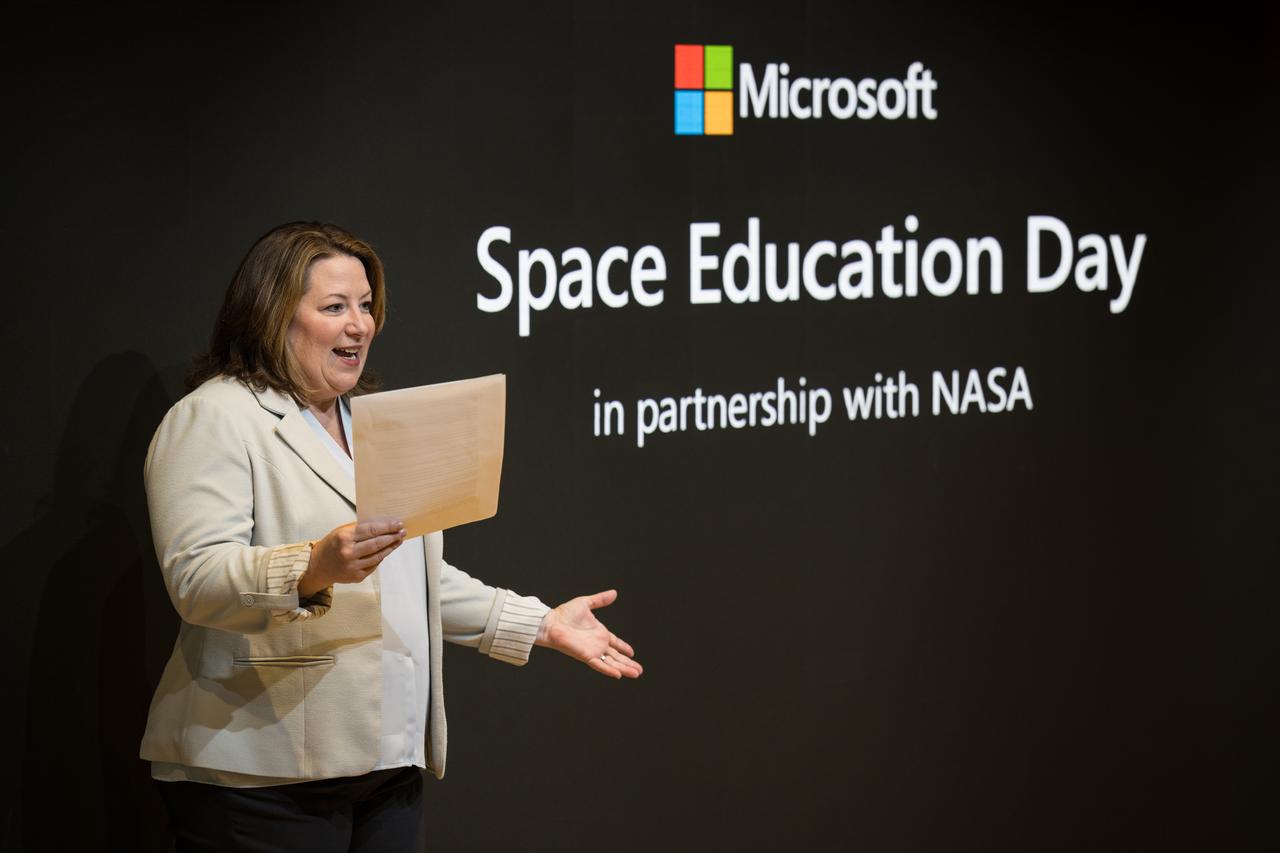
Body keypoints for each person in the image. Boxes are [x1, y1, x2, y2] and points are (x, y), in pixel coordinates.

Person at [141, 221, 642, 851]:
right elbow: (196, 580)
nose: (360, 325)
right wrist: (314, 566)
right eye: (335, 307)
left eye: (366, 305)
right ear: (271, 315)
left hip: (385, 766)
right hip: (260, 772)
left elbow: (408, 578)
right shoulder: (213, 417)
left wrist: (540, 624)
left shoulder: (371, 421)